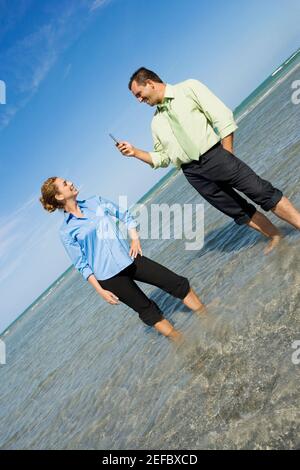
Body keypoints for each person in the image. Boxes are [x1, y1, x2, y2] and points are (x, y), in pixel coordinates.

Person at [116, 67, 300, 254]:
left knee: (263, 192)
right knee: (239, 211)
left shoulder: (188, 88)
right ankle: (276, 235)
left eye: (139, 94)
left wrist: (227, 154)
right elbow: (163, 158)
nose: (139, 100)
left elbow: (222, 116)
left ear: (149, 83)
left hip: (216, 156)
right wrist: (135, 152)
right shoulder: (156, 123)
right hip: (194, 174)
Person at [39, 176, 206, 342]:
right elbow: (81, 264)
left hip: (130, 258)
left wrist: (135, 239)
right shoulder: (66, 231)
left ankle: (207, 317)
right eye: (65, 184)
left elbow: (124, 215)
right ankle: (182, 342)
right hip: (109, 278)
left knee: (175, 282)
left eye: (67, 180)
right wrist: (100, 291)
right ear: (59, 196)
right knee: (147, 310)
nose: (70, 183)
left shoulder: (95, 202)